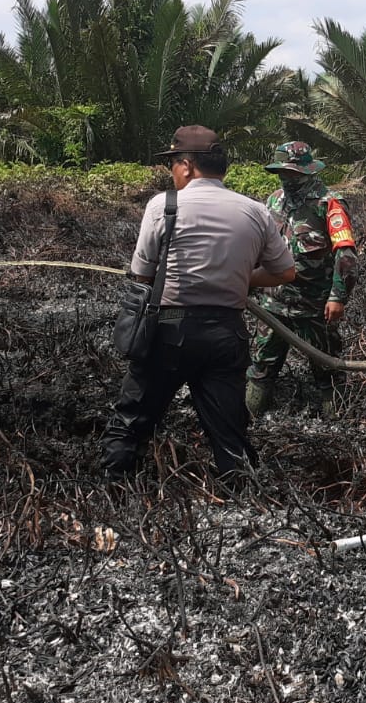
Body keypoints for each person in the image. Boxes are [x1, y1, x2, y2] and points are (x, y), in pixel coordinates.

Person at [99, 125, 296, 479]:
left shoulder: (164, 205)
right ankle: (245, 509)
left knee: (130, 423)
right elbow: (285, 273)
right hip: (226, 336)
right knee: (230, 437)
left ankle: (113, 494)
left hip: (168, 334)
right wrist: (241, 278)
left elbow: (141, 275)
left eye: (172, 163)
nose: (171, 171)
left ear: (187, 165)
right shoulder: (255, 211)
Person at [246, 141, 359, 418]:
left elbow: (346, 256)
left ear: (308, 172)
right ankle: (248, 419)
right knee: (262, 366)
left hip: (314, 306)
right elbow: (258, 246)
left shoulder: (328, 204)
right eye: (283, 173)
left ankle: (337, 424)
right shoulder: (273, 201)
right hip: (272, 305)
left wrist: (337, 297)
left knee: (327, 370)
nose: (288, 179)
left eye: (293, 174)